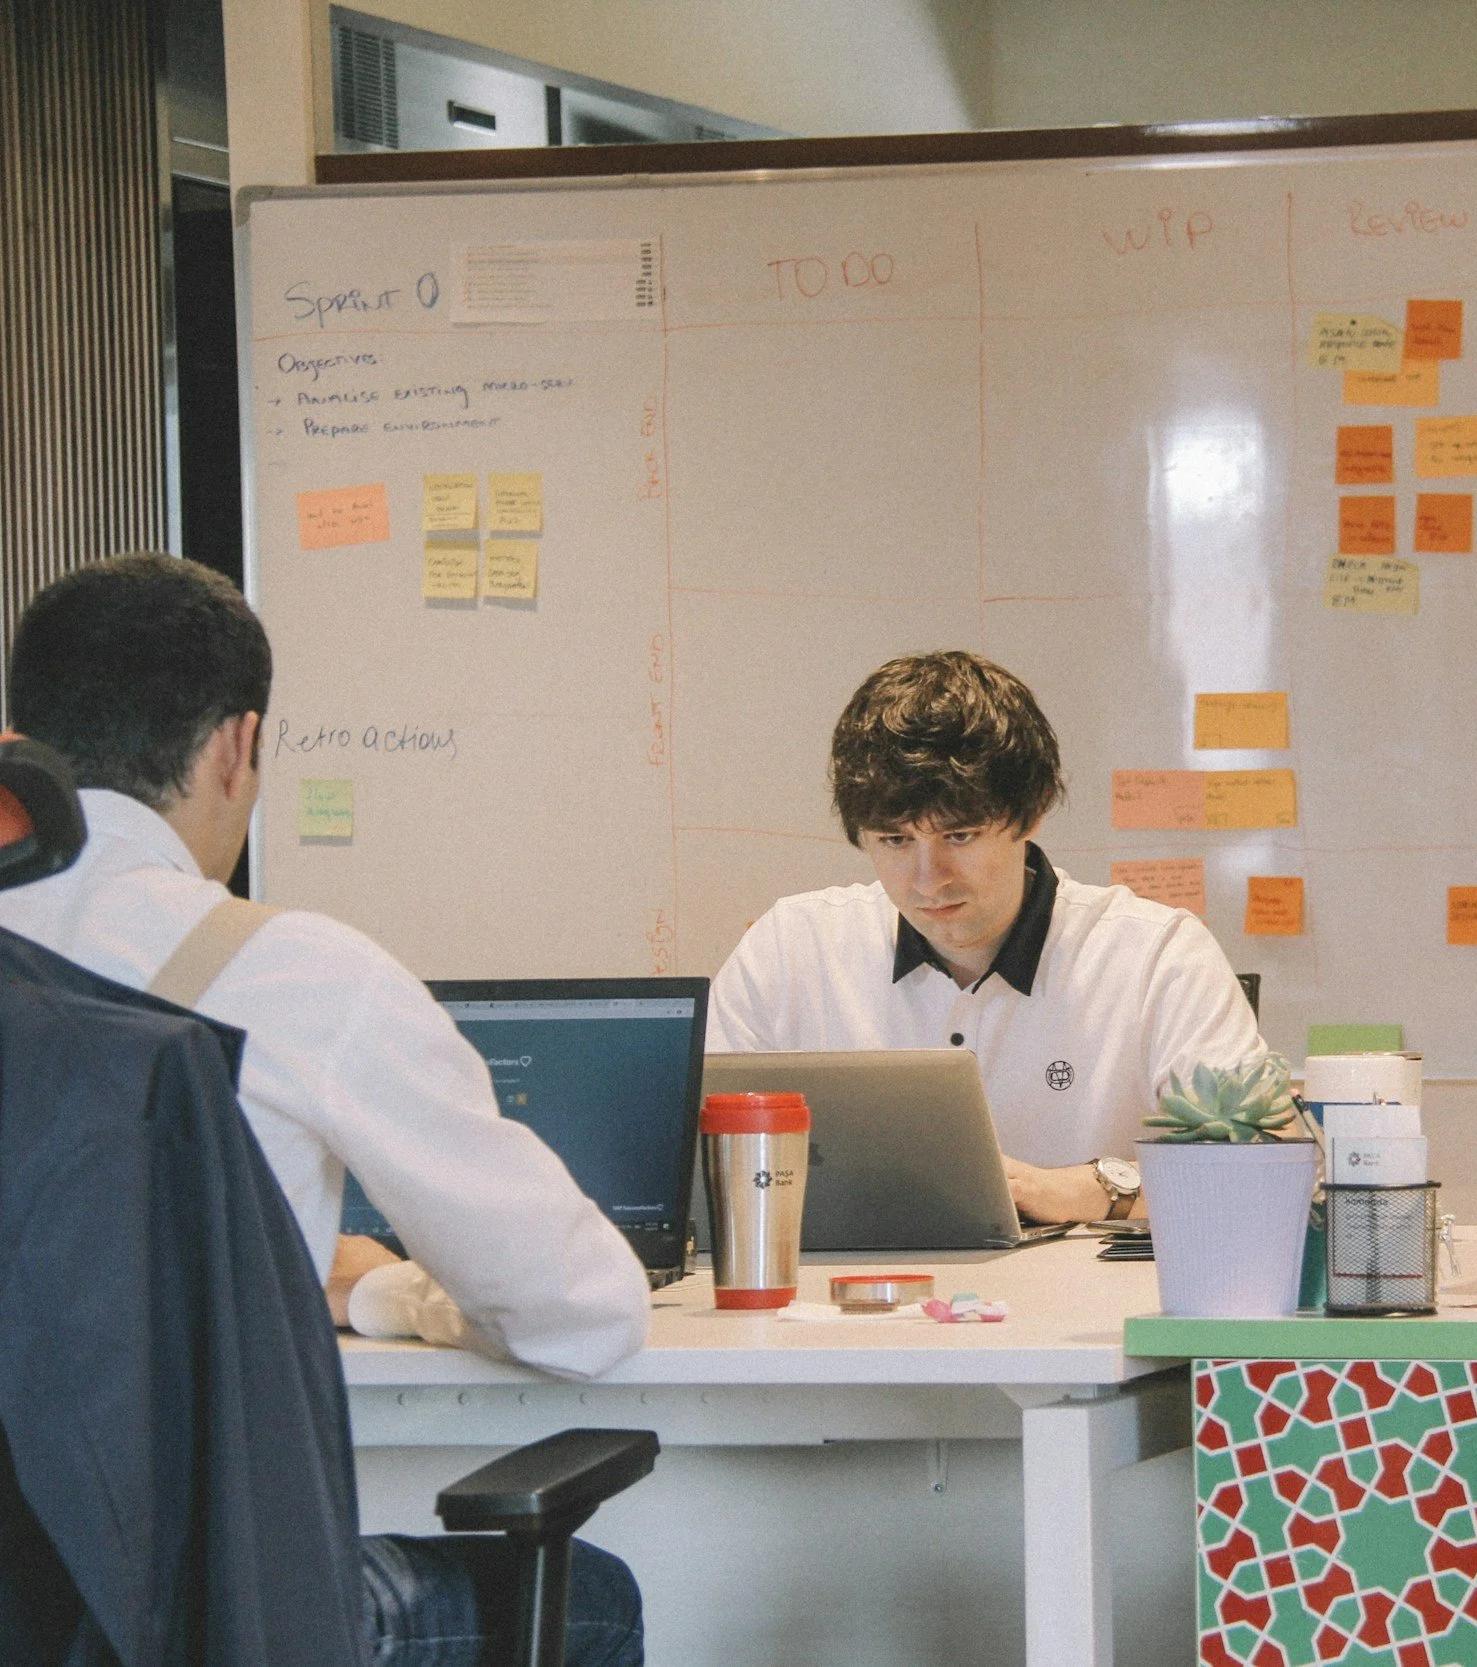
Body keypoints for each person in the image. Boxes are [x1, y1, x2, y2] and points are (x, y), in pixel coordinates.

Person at [0, 553, 648, 1666]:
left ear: (21, 746)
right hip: (217, 1612)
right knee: (592, 1593)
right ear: (238, 746)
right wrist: (400, 1294)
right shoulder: (308, 978)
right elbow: (583, 1314)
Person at [708, 650, 1268, 1223]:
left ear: (1031, 816)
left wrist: (1095, 1189)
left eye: (960, 835)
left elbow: (1263, 1176)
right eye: (895, 842)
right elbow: (694, 1167)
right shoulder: (790, 950)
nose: (929, 880)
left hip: (1086, 1307)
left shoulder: (1158, 957)